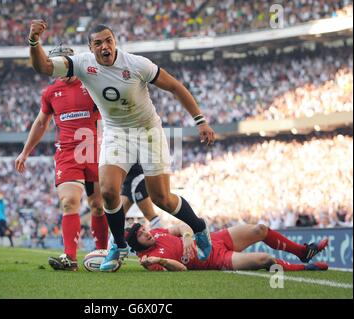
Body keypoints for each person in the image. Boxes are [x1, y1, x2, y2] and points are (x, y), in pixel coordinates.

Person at [28, 21, 216, 272]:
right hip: (117, 133)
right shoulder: (83, 64)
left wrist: (200, 121)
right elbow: (44, 66)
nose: (105, 46)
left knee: (162, 199)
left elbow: (175, 86)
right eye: (98, 43)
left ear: (115, 42)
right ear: (90, 47)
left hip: (148, 131)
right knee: (107, 191)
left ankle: (199, 226)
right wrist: (34, 41)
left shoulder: (136, 64)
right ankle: (118, 246)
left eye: (108, 40)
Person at [15, 45, 108, 271]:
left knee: (97, 205)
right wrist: (25, 152)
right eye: (54, 64)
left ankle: (103, 253)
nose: (58, 68)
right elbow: (41, 123)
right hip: (67, 153)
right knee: (68, 202)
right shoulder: (50, 92)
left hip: (94, 150)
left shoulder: (92, 83)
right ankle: (70, 258)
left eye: (62, 63)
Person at [125, 222, 329, 272]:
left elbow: (181, 225)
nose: (147, 232)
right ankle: (306, 268)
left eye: (144, 229)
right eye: (141, 235)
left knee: (260, 229)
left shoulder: (159, 232)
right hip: (215, 259)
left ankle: (303, 252)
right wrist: (160, 260)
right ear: (137, 245)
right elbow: (182, 269)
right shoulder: (149, 260)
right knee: (266, 260)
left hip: (215, 239)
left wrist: (187, 235)